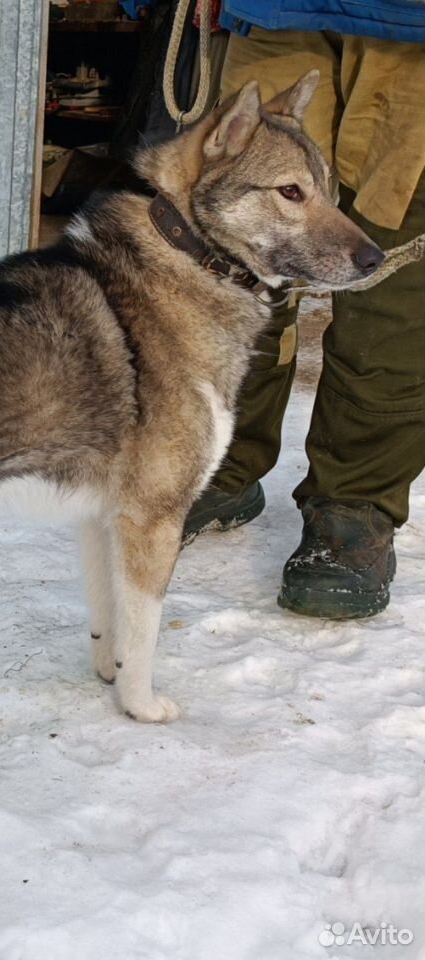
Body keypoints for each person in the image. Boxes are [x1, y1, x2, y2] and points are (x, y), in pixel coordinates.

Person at [183, 0, 425, 619]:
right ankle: (223, 460)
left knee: (389, 276)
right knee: (238, 247)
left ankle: (354, 507)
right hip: (275, 9)